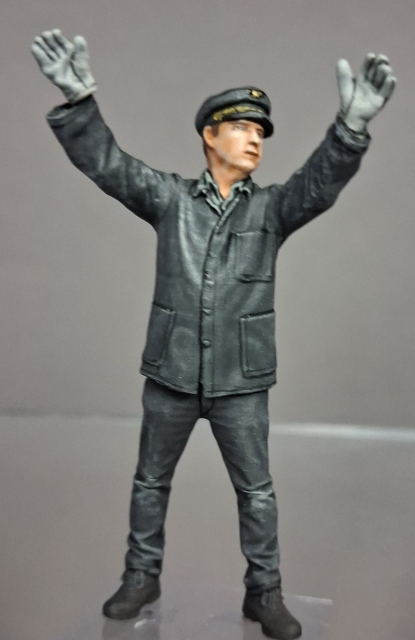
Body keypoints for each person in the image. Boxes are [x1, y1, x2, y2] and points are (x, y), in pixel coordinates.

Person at [31, 29, 395, 640]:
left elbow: (319, 183)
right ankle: (141, 576)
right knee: (150, 482)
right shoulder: (171, 200)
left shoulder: (272, 209)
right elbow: (110, 166)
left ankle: (265, 591)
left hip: (240, 382)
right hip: (171, 373)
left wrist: (350, 129)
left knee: (257, 493)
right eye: (242, 127)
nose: (254, 138)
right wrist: (80, 100)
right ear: (209, 135)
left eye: (261, 132)